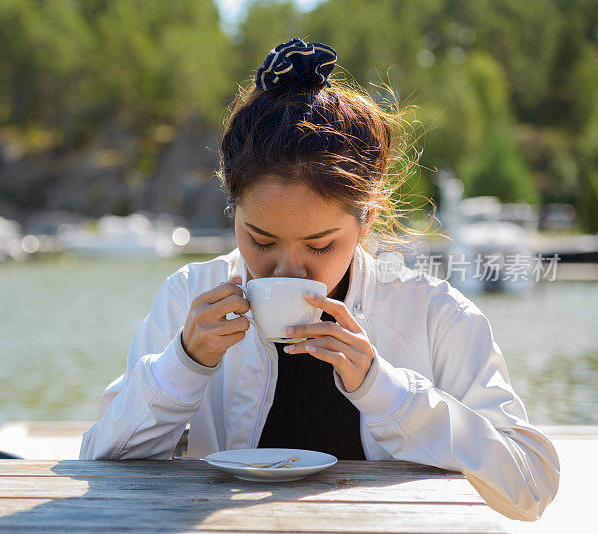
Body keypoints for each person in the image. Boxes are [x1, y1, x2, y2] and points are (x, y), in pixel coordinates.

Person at [80, 38, 559, 521]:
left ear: (366, 218)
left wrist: (385, 391)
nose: (288, 270)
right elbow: (97, 464)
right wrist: (183, 364)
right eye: (261, 241)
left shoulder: (432, 314)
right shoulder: (190, 295)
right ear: (232, 212)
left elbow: (531, 486)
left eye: (320, 245)